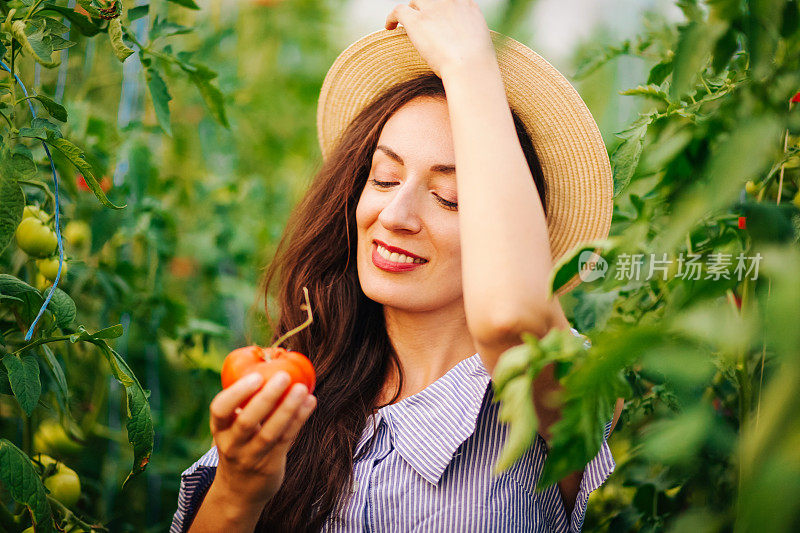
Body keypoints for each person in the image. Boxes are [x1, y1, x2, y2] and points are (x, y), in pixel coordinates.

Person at [171, 1, 622, 532]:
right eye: (383, 179)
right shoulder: (308, 383)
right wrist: (239, 486)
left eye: (450, 197)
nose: (395, 214)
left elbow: (510, 319)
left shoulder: (559, 390)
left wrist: (470, 65)